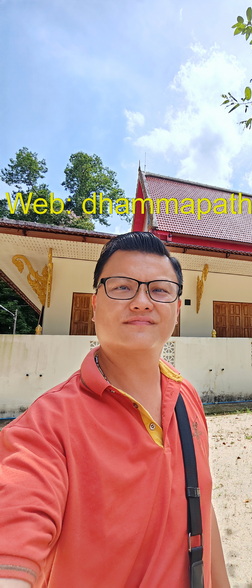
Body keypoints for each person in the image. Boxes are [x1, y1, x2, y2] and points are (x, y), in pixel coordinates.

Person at [0, 232, 230, 588]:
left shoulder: (186, 397)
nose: (142, 302)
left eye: (160, 290)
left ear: (177, 309)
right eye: (122, 287)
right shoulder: (47, 427)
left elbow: (200, 500)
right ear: (94, 305)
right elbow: (16, 523)